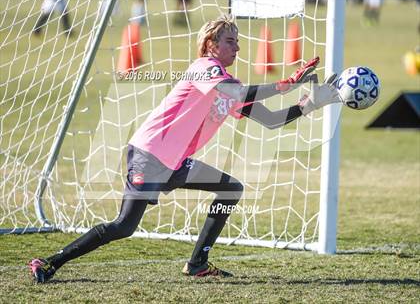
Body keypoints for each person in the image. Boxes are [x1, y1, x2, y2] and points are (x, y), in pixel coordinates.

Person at [29, 14, 339, 283]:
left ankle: (197, 264)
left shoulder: (227, 81)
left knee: (230, 188)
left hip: (175, 162)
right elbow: (240, 92)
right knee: (124, 226)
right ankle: (50, 262)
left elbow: (270, 120)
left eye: (237, 41)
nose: (237, 47)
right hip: (150, 155)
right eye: (230, 40)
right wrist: (287, 83)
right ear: (210, 45)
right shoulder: (204, 68)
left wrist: (309, 104)